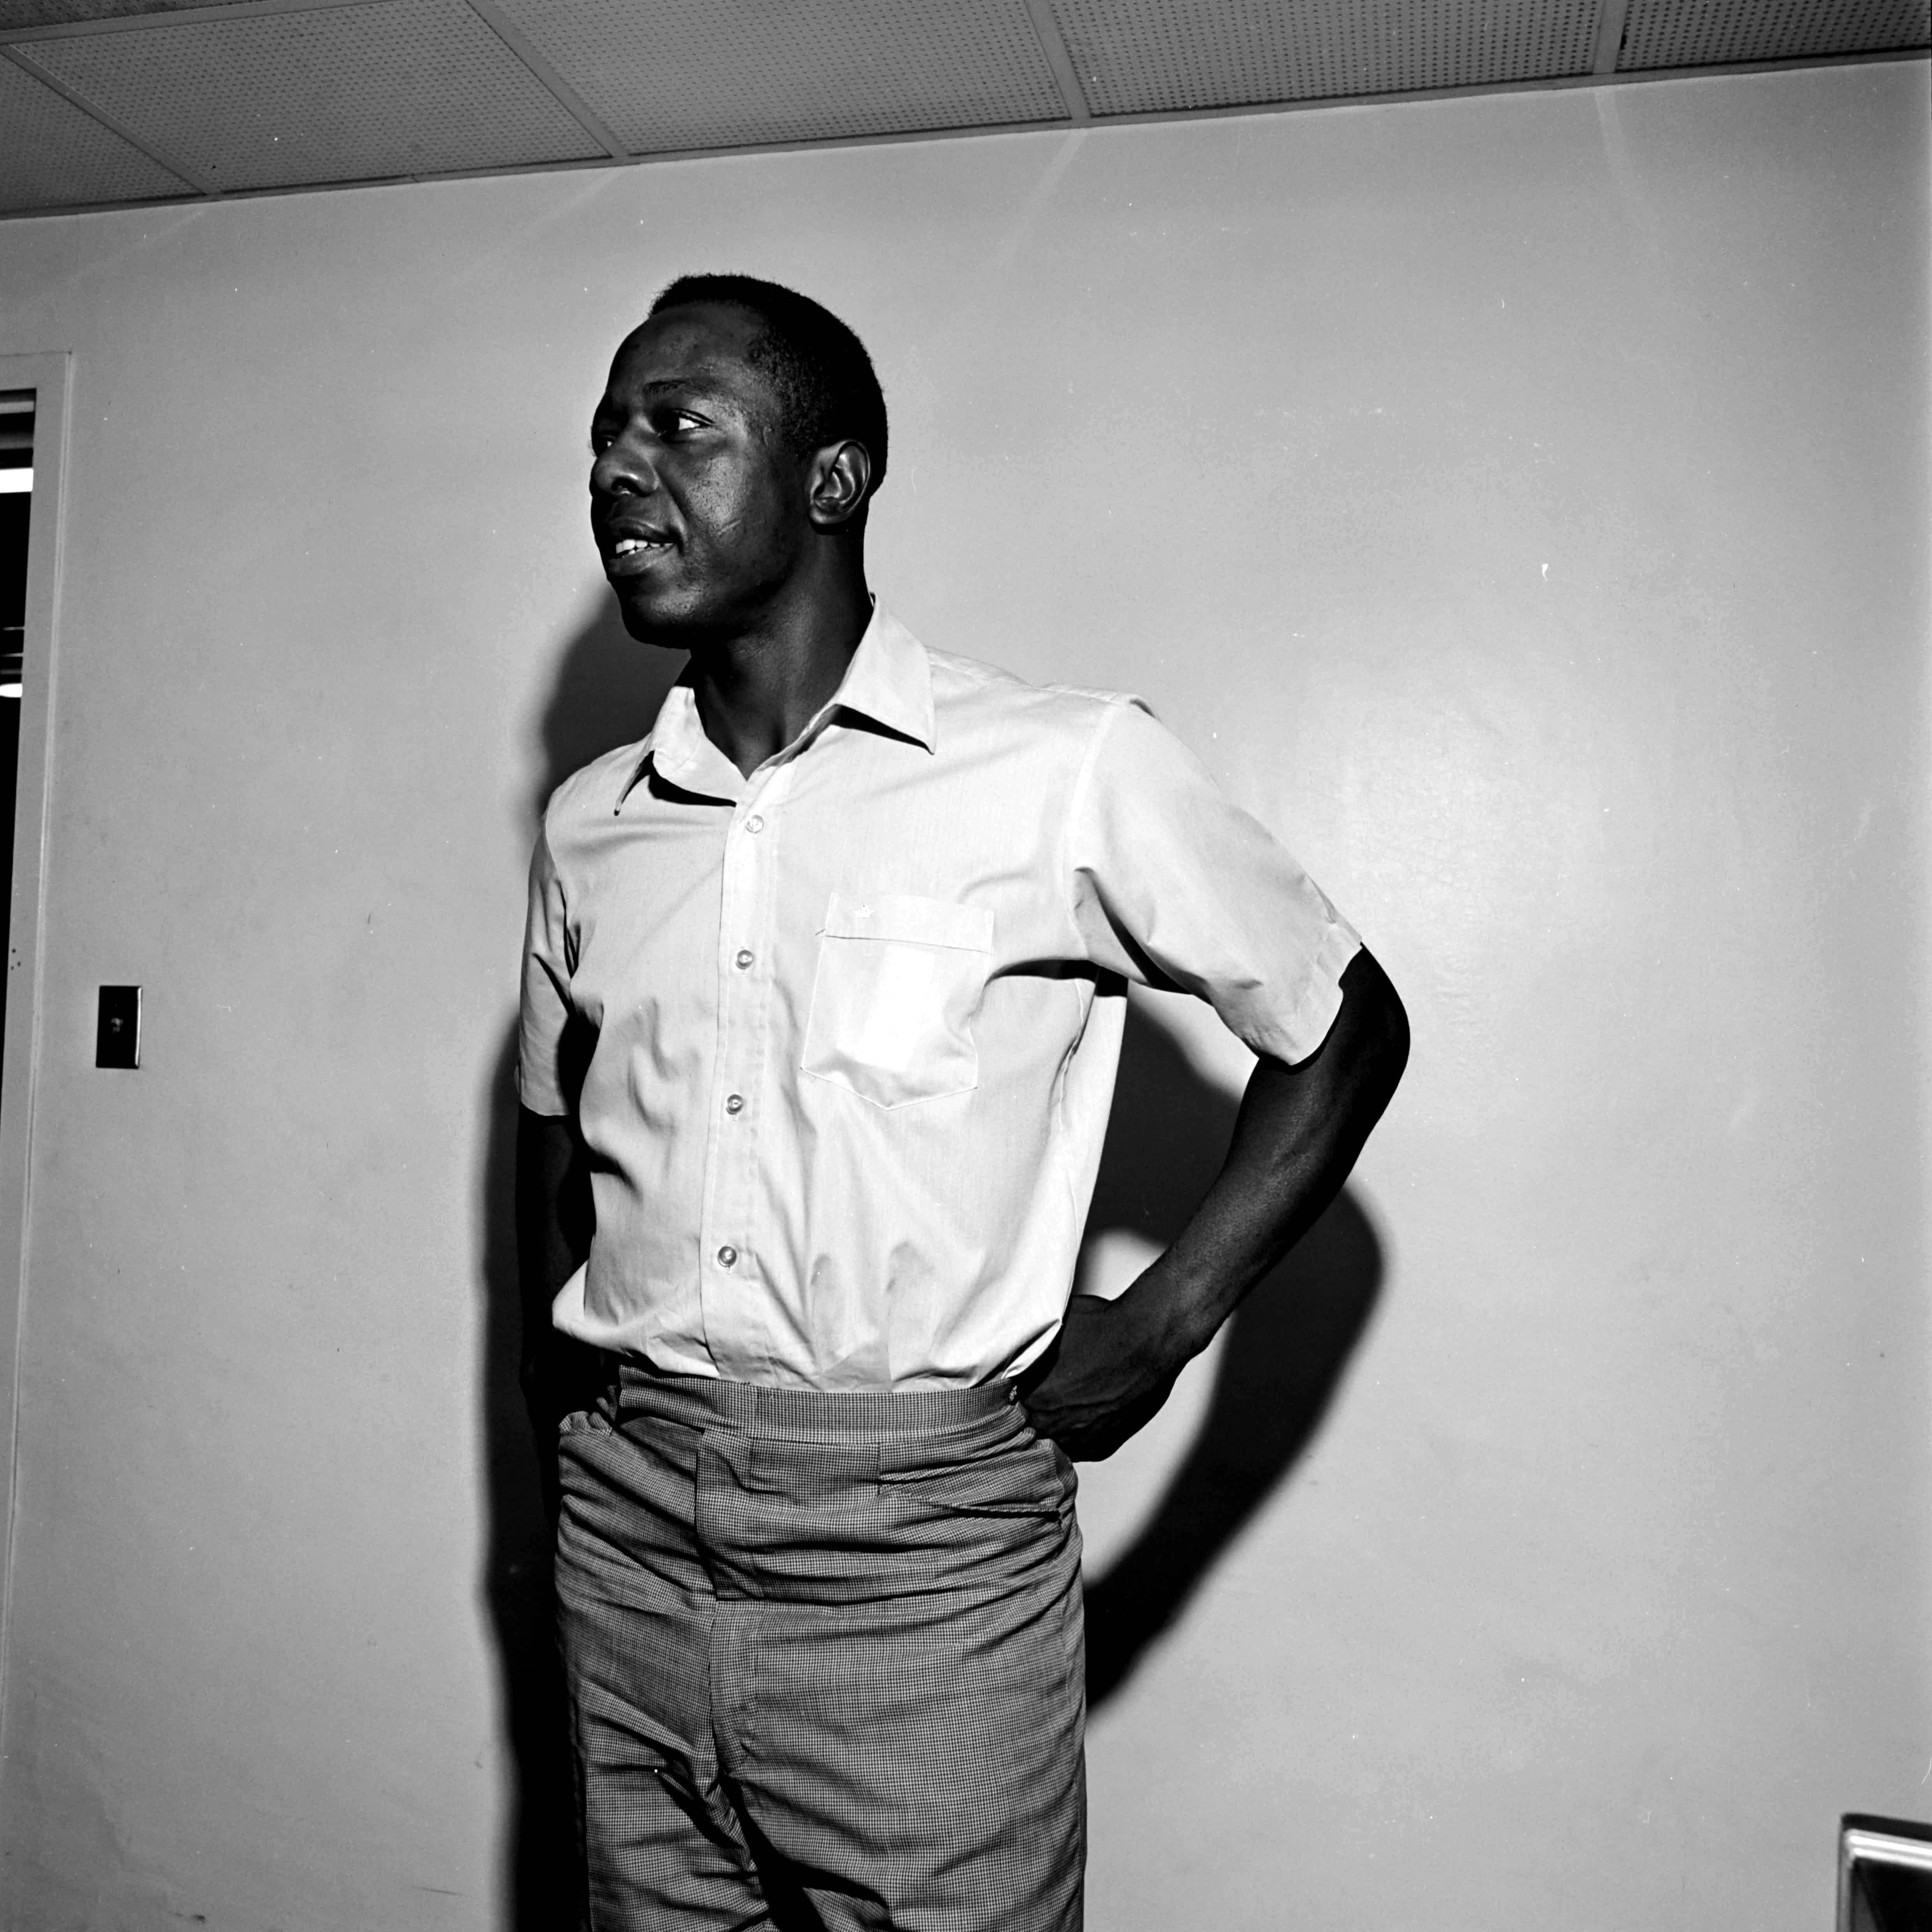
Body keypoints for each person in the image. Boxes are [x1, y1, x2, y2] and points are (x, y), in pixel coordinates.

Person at [515, 273, 1409, 1932]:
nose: (617, 472)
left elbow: (1341, 1024)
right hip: (628, 1528)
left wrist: (1157, 1324)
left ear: (831, 479)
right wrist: (552, 1446)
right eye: (604, 437)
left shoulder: (1059, 767)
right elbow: (553, 1130)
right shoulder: (591, 820)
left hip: (918, 1555)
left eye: (678, 429)